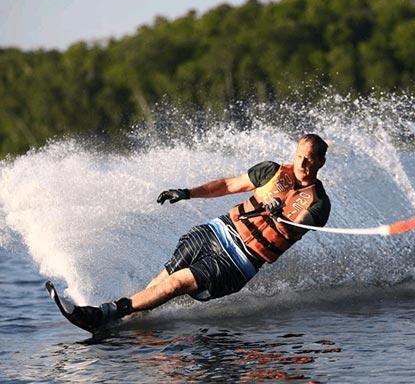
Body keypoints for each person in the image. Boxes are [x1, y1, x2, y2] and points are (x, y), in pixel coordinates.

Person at [67, 134, 331, 332]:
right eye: (300, 157)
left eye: (310, 159)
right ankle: (122, 325)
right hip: (216, 231)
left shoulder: (318, 203)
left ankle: (103, 313)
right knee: (161, 281)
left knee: (176, 284)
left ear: (321, 161)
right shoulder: (271, 171)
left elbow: (295, 227)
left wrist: (279, 215)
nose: (303, 164)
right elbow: (228, 185)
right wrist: (188, 193)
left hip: (239, 261)